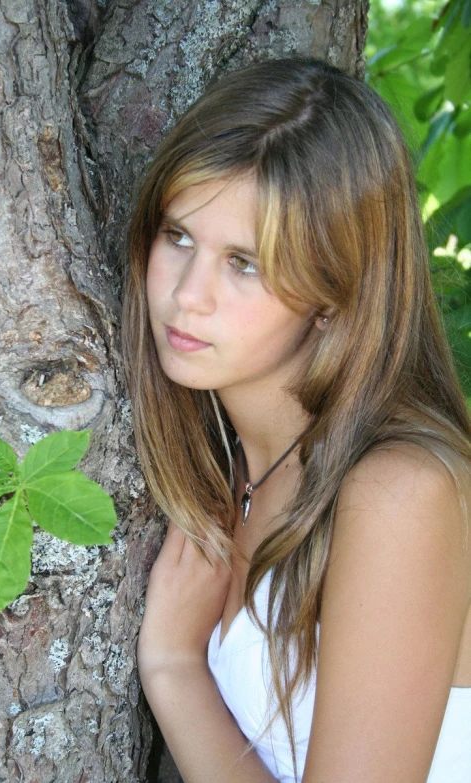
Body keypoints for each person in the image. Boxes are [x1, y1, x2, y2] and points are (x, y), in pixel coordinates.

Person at [122, 56, 471, 782]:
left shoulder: (399, 490)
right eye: (178, 236)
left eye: (244, 262)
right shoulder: (228, 465)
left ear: (334, 293)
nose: (188, 296)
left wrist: (175, 667)